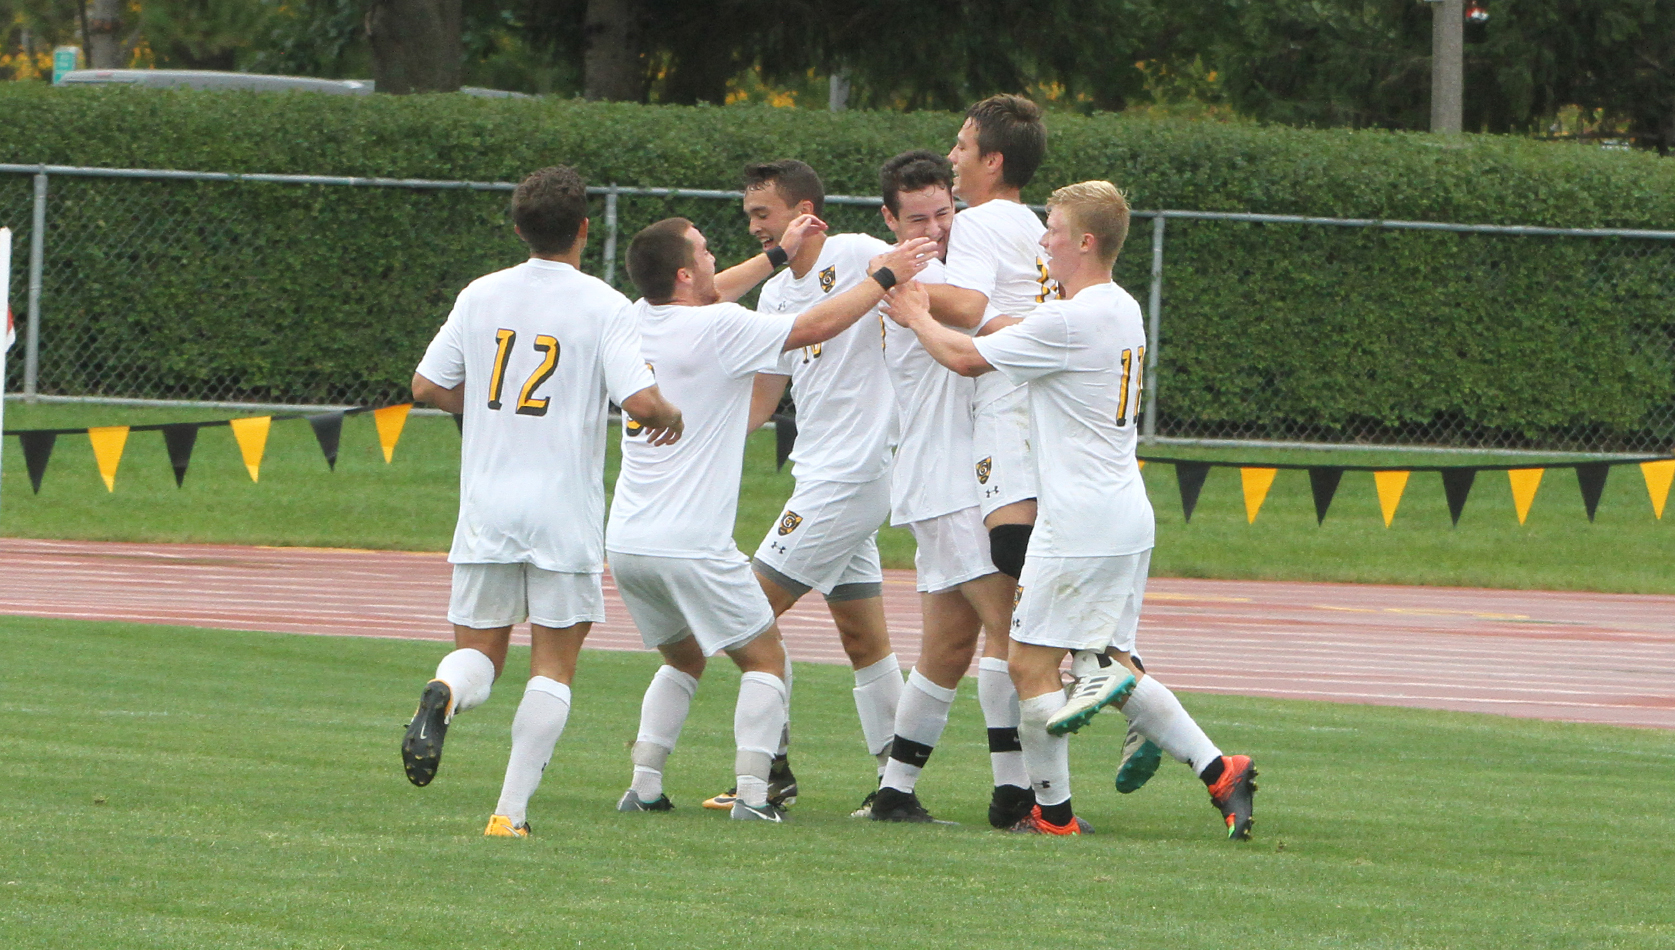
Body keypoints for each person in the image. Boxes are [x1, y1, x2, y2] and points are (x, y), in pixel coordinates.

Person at [883, 180, 1258, 839]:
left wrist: (914, 311)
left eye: (1052, 229)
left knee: (1028, 663)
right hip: (1122, 516)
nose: (1042, 240)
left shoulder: (1067, 320)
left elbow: (965, 359)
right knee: (1103, 661)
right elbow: (1014, 332)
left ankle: (1051, 815)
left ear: (1084, 241)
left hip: (1077, 521)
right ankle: (1219, 770)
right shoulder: (1117, 307)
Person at [609, 216, 935, 821]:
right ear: (685, 273)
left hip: (626, 539)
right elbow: (817, 324)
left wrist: (777, 257)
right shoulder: (719, 328)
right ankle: (757, 795)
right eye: (706, 252)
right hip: (691, 542)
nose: (717, 260)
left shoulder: (634, 317)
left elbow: (717, 288)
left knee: (683, 659)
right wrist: (887, 274)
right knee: (766, 658)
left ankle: (645, 787)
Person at [401, 165, 684, 838]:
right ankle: (509, 814)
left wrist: (484, 418)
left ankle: (443, 694)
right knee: (553, 666)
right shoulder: (605, 305)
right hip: (562, 512)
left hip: (488, 506)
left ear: (518, 228)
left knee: (481, 655)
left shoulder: (480, 295)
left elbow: (425, 384)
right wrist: (671, 414)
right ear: (585, 229)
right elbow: (640, 401)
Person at [694, 159, 905, 814]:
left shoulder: (860, 255)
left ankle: (770, 773)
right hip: (819, 471)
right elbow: (760, 395)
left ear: (804, 211)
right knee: (863, 638)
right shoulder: (775, 291)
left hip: (853, 473)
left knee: (741, 617)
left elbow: (932, 289)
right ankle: (896, 788)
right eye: (749, 217)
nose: (755, 228)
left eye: (764, 215)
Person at [864, 150, 1018, 825]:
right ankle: (1019, 794)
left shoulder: (942, 272)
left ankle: (894, 792)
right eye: (918, 221)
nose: (935, 230)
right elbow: (983, 313)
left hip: (946, 481)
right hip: (949, 483)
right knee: (1016, 633)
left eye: (943, 214)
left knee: (947, 649)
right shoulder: (901, 279)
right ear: (889, 221)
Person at [922, 93, 1054, 827]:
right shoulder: (1031, 226)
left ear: (993, 160)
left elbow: (968, 303)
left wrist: (901, 287)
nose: (952, 155)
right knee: (981, 612)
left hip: (1005, 409)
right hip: (1037, 409)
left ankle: (1109, 669)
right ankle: (995, 788)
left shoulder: (977, 223)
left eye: (962, 144)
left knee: (1015, 576)